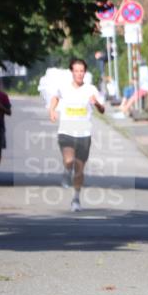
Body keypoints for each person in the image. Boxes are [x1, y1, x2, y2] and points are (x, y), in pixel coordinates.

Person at [48, 58, 105, 212]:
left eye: (82, 71)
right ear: (72, 72)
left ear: (84, 73)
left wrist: (97, 103)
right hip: (66, 131)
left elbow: (102, 109)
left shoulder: (91, 89)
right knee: (69, 160)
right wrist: (52, 110)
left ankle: (76, 199)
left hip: (84, 133)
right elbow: (55, 97)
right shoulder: (64, 87)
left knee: (79, 169)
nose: (79, 74)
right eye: (76, 71)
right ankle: (67, 172)